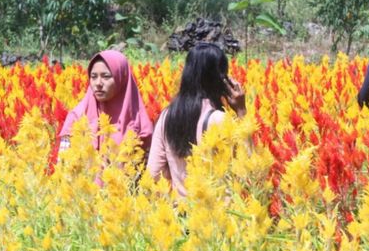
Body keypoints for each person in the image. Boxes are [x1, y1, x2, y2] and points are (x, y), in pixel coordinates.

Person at [146, 42, 246, 197]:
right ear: (222, 79)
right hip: (217, 216)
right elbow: (249, 170)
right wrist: (241, 111)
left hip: (181, 215)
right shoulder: (220, 120)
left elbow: (153, 174)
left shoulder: (166, 116)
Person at [58, 50, 153, 153]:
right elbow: (63, 164)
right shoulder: (76, 118)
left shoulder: (139, 122)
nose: (98, 83)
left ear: (122, 78)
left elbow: (148, 167)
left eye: (106, 76)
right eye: (93, 77)